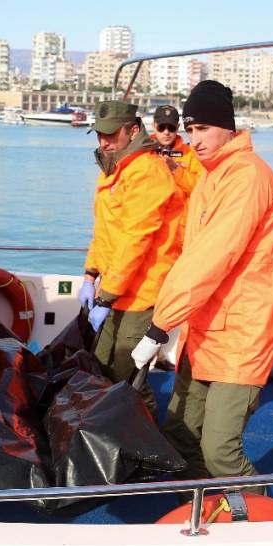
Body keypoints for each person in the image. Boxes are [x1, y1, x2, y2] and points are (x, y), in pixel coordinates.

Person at [130, 80, 273, 487]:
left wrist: (161, 324)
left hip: (241, 335)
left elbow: (210, 257)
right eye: (190, 129)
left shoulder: (248, 177)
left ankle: (265, 518)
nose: (193, 139)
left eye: (202, 129)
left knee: (220, 450)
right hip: (205, 328)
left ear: (227, 127)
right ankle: (202, 512)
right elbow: (189, 254)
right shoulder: (210, 177)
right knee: (182, 435)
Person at [80, 100, 182, 416]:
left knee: (127, 375)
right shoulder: (113, 169)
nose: (104, 142)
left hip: (142, 292)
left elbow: (135, 239)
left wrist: (107, 294)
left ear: (133, 131)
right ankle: (122, 436)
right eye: (99, 135)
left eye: (110, 135)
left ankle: (150, 441)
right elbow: (105, 231)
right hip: (115, 288)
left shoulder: (147, 172)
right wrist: (90, 274)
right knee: (102, 366)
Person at [151, 104, 204, 208]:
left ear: (178, 127)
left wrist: (175, 169)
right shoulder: (143, 152)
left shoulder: (191, 154)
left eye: (171, 128)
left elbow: (201, 188)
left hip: (180, 220)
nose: (166, 132)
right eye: (161, 127)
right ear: (153, 126)